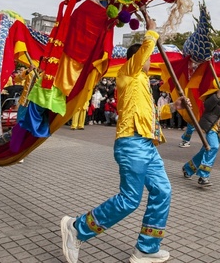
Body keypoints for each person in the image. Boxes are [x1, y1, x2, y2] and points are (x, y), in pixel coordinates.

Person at [60, 16, 187, 263]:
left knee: (163, 191)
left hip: (147, 146)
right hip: (131, 144)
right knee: (129, 200)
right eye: (147, 58)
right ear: (137, 58)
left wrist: (173, 106)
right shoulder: (127, 74)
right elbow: (143, 53)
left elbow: (149, 115)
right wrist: (152, 32)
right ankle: (77, 229)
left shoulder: (143, 84)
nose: (150, 62)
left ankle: (147, 248)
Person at [182, 73, 220, 187]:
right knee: (213, 147)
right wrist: (217, 96)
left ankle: (188, 168)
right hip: (211, 127)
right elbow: (207, 106)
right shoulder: (217, 92)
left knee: (206, 150)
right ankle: (203, 176)